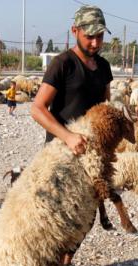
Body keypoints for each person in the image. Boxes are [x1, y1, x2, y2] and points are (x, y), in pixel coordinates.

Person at [30, 5, 112, 155]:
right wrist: (68, 136)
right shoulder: (62, 63)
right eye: (89, 36)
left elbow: (105, 108)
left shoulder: (104, 66)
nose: (95, 43)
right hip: (61, 151)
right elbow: (37, 108)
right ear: (75, 31)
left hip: (92, 152)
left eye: (99, 36)